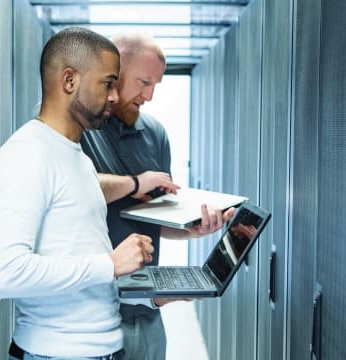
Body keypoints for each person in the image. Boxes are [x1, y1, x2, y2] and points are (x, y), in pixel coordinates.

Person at [0, 27, 156, 360]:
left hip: (102, 349)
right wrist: (109, 263)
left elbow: (80, 261)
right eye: (107, 83)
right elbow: (3, 275)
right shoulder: (27, 154)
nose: (115, 97)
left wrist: (148, 295)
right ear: (69, 80)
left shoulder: (76, 157)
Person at [80, 32, 236, 360]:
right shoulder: (78, 123)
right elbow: (67, 191)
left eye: (157, 85)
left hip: (149, 312)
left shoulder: (155, 134)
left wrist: (192, 228)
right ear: (115, 69)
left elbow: (155, 217)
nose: (149, 95)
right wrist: (135, 183)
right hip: (92, 317)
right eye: (143, 82)